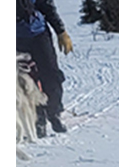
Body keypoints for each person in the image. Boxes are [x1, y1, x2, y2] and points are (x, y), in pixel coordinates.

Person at [21, 0, 72, 138]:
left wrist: (61, 31)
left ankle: (53, 112)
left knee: (51, 76)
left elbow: (47, 7)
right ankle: (38, 118)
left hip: (39, 35)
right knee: (25, 82)